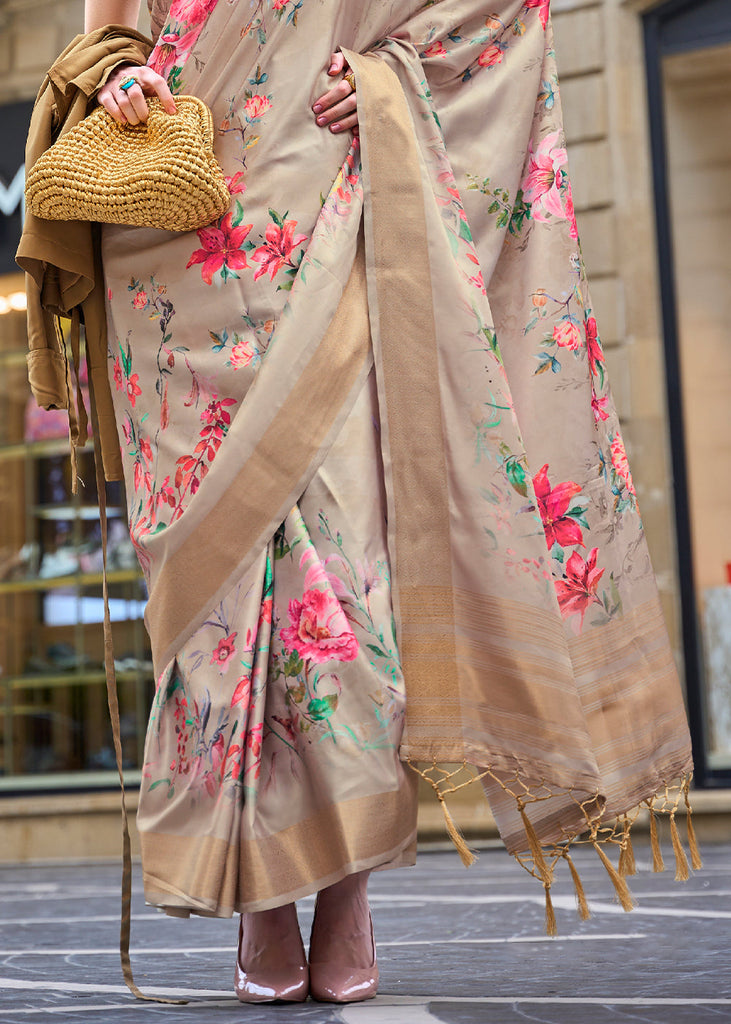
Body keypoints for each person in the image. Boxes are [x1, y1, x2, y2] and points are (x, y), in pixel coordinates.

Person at [75, 0, 695, 1005]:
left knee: (341, 576)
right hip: (170, 237)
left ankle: (343, 892)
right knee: (218, 601)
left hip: (325, 228)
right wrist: (114, 77)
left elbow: (505, 10)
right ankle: (260, 898)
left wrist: (391, 74)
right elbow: (107, 30)